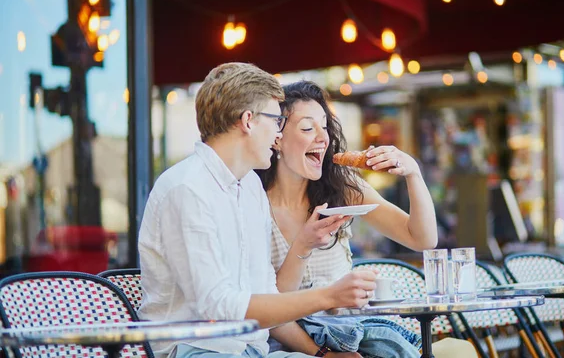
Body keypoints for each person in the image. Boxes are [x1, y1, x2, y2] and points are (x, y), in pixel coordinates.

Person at [138, 63, 376, 358]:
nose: (278, 135)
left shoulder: (250, 187)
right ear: (248, 121)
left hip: (252, 350)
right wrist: (327, 296)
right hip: (196, 350)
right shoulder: (186, 189)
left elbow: (266, 293)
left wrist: (321, 354)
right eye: (276, 120)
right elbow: (220, 308)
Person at [256, 80, 476, 358]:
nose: (322, 137)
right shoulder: (254, 204)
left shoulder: (341, 186)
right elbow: (271, 309)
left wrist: (413, 174)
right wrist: (324, 354)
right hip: (293, 343)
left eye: (324, 126)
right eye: (307, 128)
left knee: (459, 351)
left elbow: (422, 239)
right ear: (277, 138)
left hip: (352, 330)